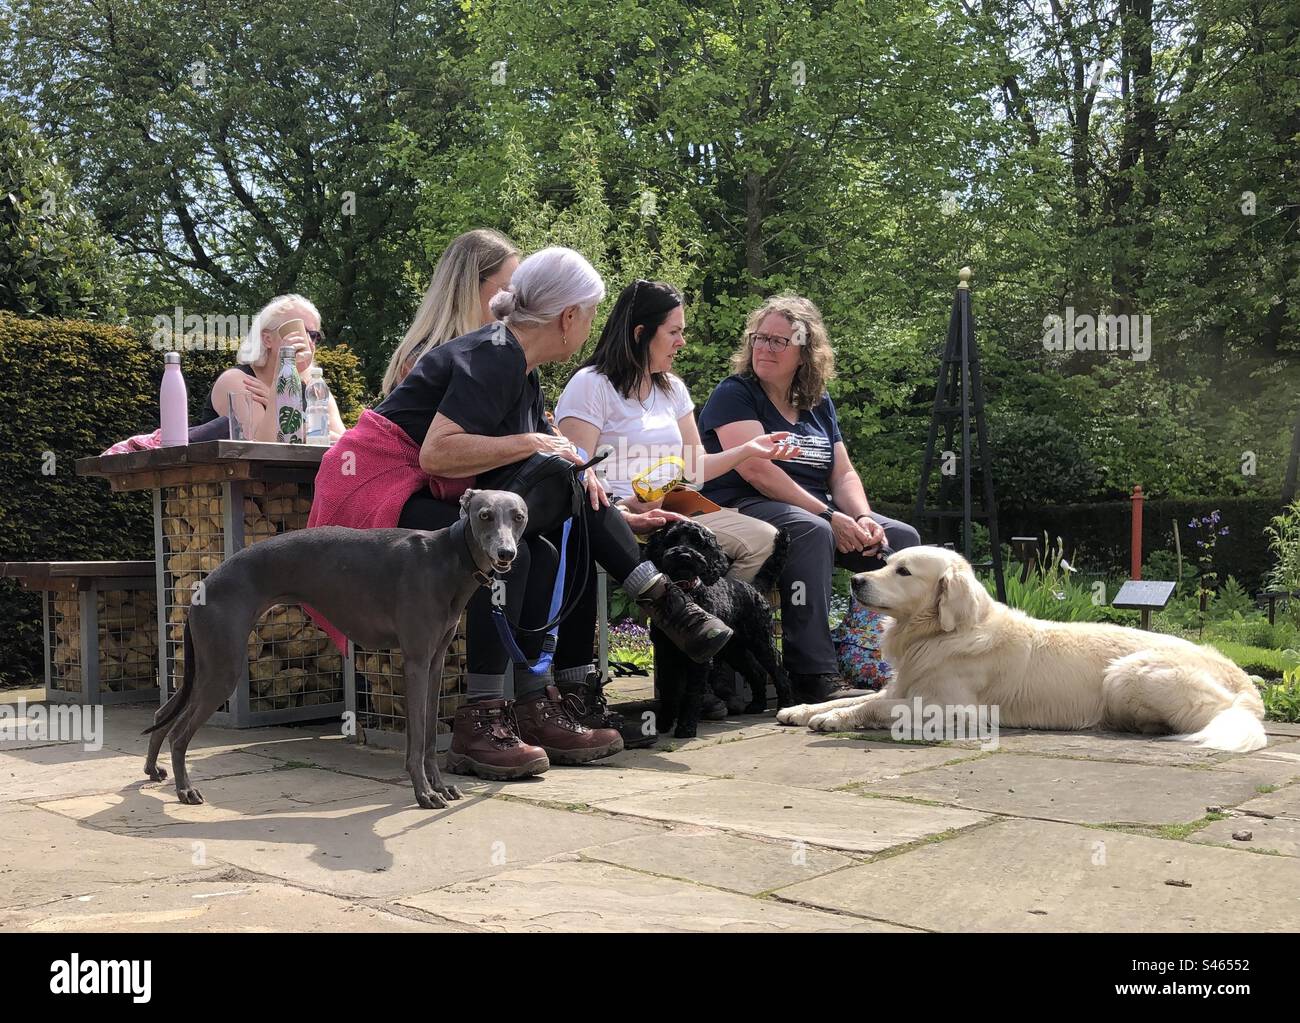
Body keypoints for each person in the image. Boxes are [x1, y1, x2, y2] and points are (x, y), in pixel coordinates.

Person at [366, 247, 734, 780]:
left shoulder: (520, 364)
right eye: (588, 316)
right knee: (536, 506)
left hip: (429, 491)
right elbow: (436, 453)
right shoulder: (496, 355)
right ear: (568, 318)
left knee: (537, 543)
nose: (590, 329)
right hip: (387, 490)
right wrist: (542, 445)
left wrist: (574, 467)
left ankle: (529, 707)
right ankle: (659, 604)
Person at [551, 279, 799, 740]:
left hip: (676, 506)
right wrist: (623, 508)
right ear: (640, 332)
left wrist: (750, 448)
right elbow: (575, 471)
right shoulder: (591, 386)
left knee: (764, 539)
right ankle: (692, 664)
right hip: (611, 509)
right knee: (661, 544)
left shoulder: (673, 389)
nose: (683, 342)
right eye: (674, 332)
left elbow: (695, 469)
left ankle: (712, 663)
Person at [697, 294, 921, 705]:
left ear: (804, 352)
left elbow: (842, 472)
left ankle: (883, 658)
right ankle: (812, 671)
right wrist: (831, 515)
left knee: (901, 538)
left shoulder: (818, 403)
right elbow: (756, 470)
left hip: (820, 507)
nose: (763, 348)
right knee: (811, 531)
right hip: (743, 504)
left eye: (778, 341)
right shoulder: (735, 393)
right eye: (758, 337)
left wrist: (863, 516)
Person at [380, 228, 520, 396]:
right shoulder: (423, 363)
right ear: (470, 286)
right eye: (506, 289)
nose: (514, 301)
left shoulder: (494, 355)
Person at [200, 295, 346, 442]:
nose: (308, 340)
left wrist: (276, 402)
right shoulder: (237, 380)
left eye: (314, 335)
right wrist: (279, 393)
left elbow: (346, 444)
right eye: (297, 330)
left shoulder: (315, 389)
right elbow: (263, 444)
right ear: (267, 339)